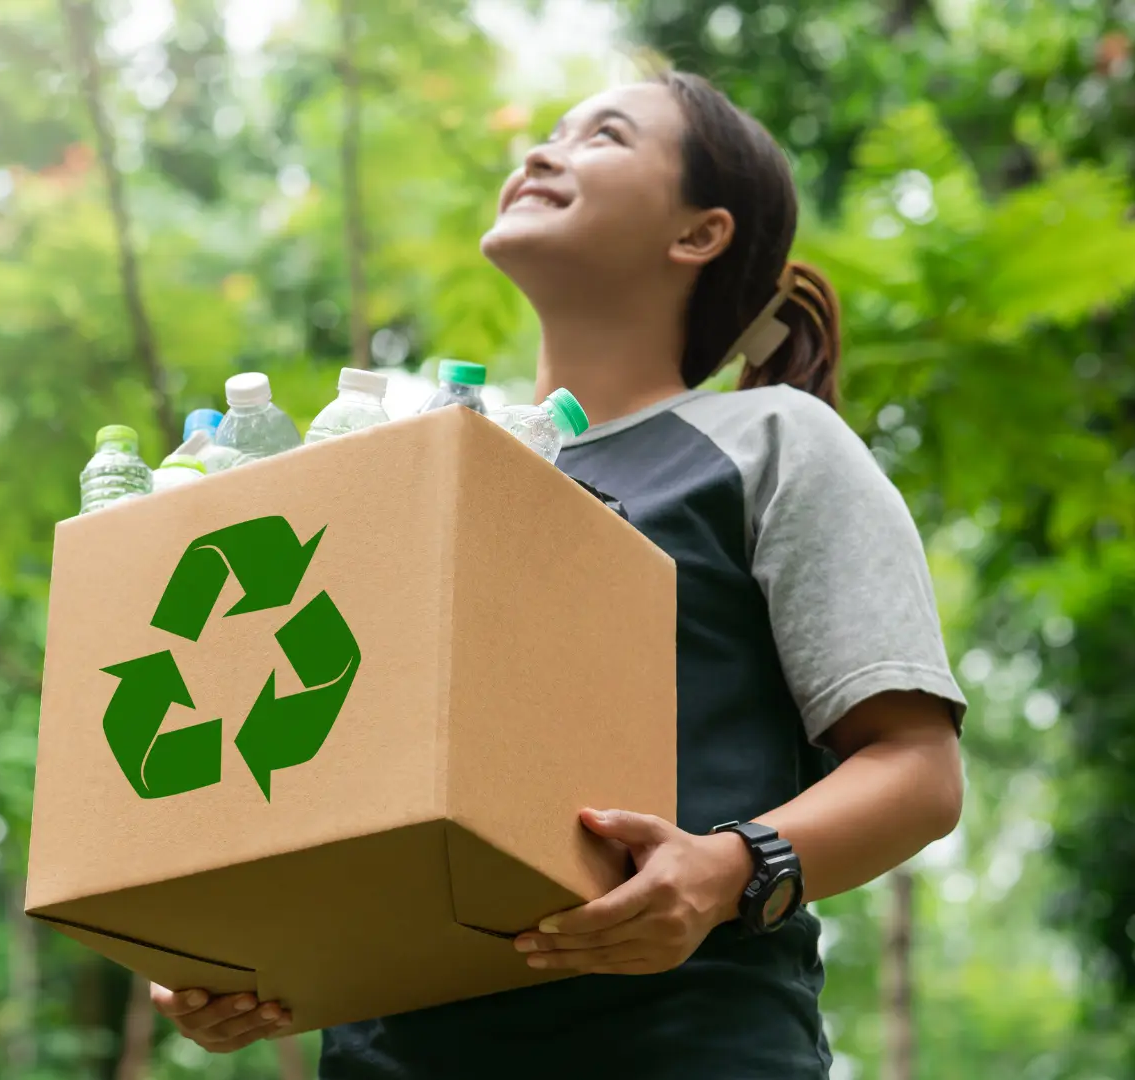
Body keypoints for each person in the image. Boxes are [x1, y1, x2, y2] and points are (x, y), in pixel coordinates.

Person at [148, 70, 968, 1078]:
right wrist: (232, 946)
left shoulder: (767, 441)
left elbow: (919, 772)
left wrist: (725, 872)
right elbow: (320, 768)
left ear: (698, 235)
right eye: (545, 135)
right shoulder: (417, 474)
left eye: (603, 137)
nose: (540, 153)